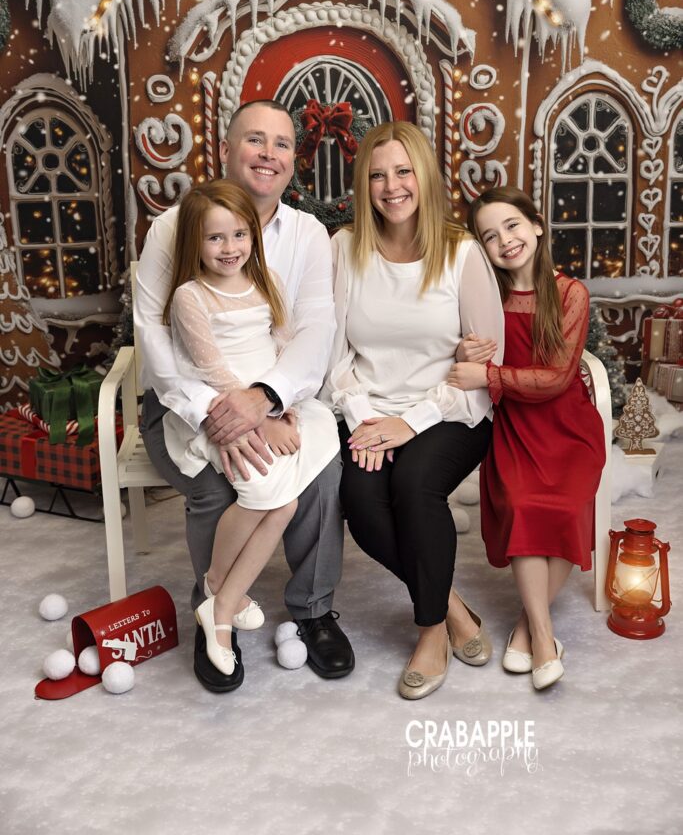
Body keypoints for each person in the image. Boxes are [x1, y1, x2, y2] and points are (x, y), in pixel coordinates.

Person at [135, 100, 354, 692]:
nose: (268, 154)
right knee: (216, 484)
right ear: (227, 150)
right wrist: (214, 416)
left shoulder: (307, 234)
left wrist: (266, 401)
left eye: (282, 144)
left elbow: (311, 330)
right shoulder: (173, 227)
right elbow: (154, 337)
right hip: (187, 401)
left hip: (276, 393)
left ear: (292, 162)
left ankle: (311, 610)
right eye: (254, 140)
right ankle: (217, 613)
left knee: (321, 475)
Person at [323, 121, 505, 700]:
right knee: (359, 500)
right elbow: (335, 358)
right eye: (377, 175)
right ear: (363, 184)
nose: (391, 186)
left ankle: (428, 631)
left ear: (423, 177)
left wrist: (410, 424)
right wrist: (364, 422)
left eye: (403, 171)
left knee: (416, 484)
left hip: (450, 413)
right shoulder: (344, 249)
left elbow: (483, 370)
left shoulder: (462, 254)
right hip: (369, 415)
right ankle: (451, 607)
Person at [161, 180, 340, 676]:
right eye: (215, 238)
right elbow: (213, 370)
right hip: (226, 413)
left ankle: (220, 590)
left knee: (306, 468)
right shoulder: (190, 297)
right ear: (194, 242)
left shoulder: (264, 284)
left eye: (239, 235)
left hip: (267, 404)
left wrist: (282, 409)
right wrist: (256, 421)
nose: (230, 248)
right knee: (271, 497)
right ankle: (220, 602)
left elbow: (284, 350)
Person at [448, 185, 605, 691]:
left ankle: (529, 629)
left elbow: (558, 377)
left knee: (564, 506)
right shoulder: (486, 298)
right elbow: (460, 351)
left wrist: (489, 378)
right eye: (490, 236)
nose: (505, 241)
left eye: (512, 226)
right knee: (519, 502)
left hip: (566, 426)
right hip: (515, 426)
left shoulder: (569, 293)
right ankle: (542, 633)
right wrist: (466, 350)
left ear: (537, 224)